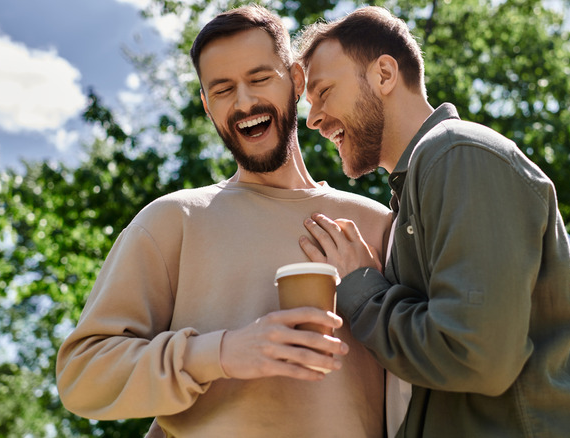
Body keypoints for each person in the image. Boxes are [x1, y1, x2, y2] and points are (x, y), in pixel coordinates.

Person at [56, 5, 391, 437]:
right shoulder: (171, 222)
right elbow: (83, 378)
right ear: (206, 106)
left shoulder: (377, 225)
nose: (245, 102)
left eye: (258, 79)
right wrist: (222, 353)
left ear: (296, 79)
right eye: (223, 89)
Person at [295, 6, 570, 437]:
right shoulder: (419, 186)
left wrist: (361, 289)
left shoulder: (458, 154)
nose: (312, 118)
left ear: (384, 75)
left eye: (324, 91)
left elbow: (474, 354)